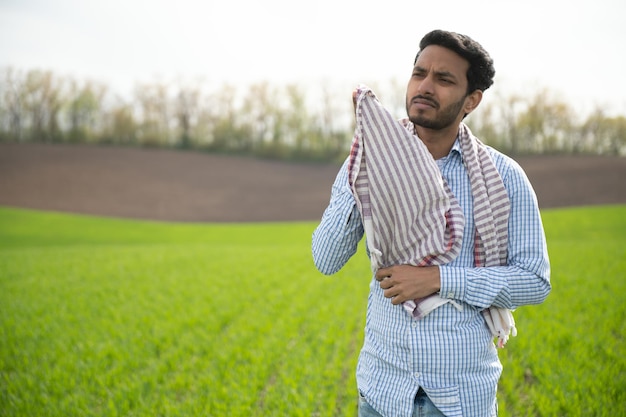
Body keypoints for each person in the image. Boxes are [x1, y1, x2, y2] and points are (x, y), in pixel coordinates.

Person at [311, 30, 551, 417]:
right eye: (419, 73)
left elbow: (534, 281)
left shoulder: (505, 177)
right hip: (382, 394)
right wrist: (365, 169)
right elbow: (326, 259)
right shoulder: (369, 163)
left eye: (444, 79)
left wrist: (438, 279)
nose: (425, 86)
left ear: (472, 99)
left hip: (460, 400)